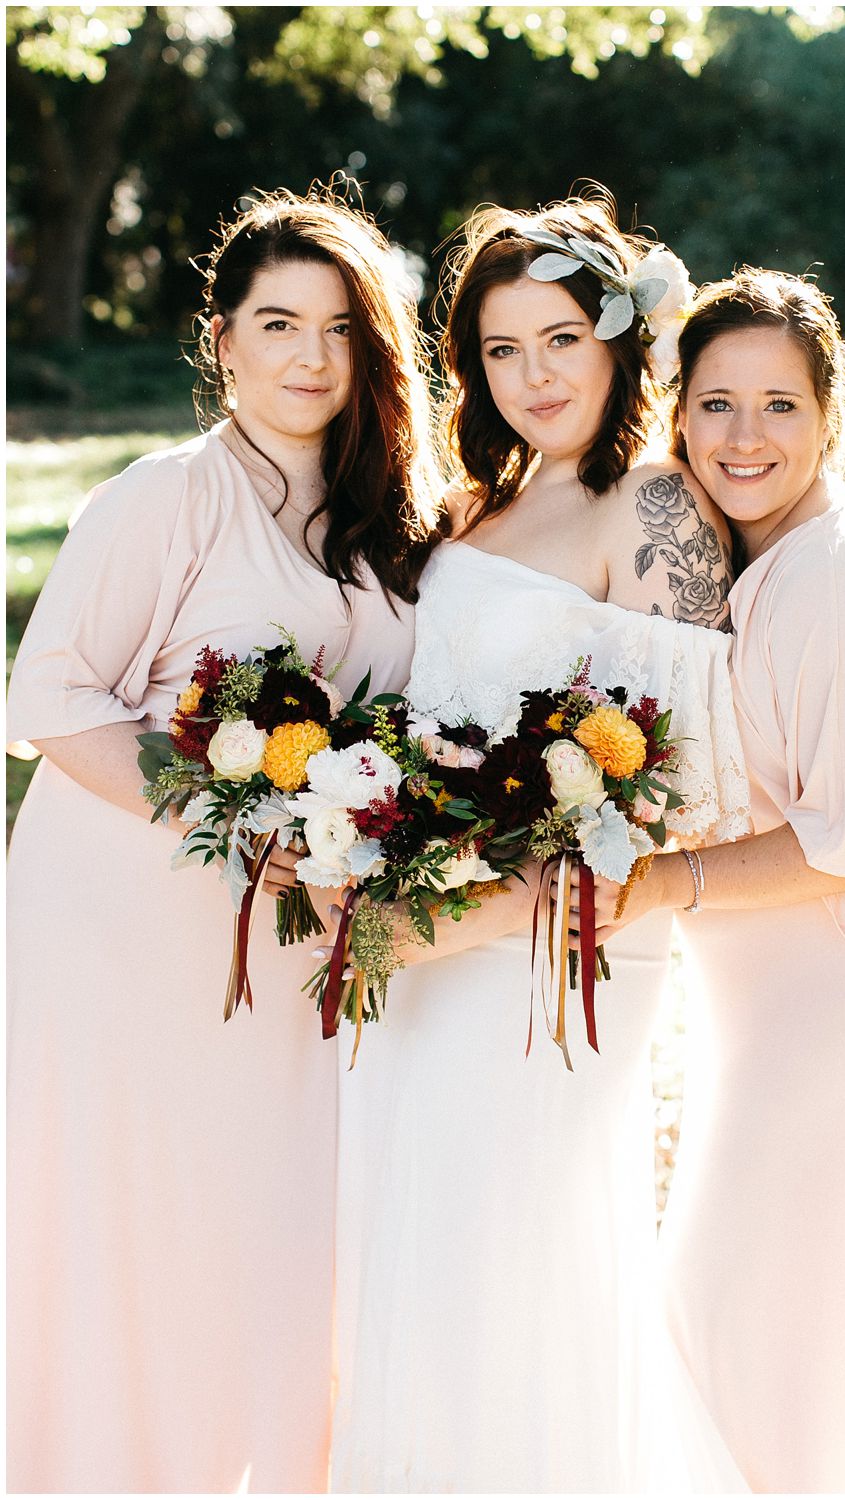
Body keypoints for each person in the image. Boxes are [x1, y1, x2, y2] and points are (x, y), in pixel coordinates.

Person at [6, 183, 439, 1492]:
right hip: (127, 930)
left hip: (293, 940)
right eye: (277, 323)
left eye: (338, 328)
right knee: (140, 1220)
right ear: (223, 339)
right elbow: (46, 699)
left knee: (266, 1223)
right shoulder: (165, 498)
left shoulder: (386, 521)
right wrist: (235, 815)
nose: (310, 356)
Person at [320, 194, 752, 1492]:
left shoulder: (662, 510)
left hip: (545, 967)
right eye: (501, 351)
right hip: (417, 951)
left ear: (621, 342)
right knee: (408, 1252)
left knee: (513, 1259)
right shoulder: (471, 510)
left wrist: (480, 906)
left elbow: (679, 782)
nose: (534, 377)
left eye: (561, 338)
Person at [586, 268, 845, 1492]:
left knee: (782, 1317)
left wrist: (654, 882)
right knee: (746, 1302)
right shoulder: (747, 562)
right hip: (774, 1013)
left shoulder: (841, 584)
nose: (743, 438)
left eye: (777, 406)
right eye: (714, 405)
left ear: (829, 416)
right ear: (676, 416)